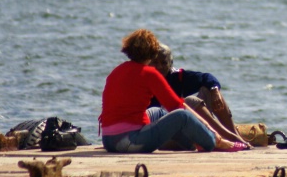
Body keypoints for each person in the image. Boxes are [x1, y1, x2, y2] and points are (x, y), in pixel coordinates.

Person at [98, 29, 248, 153]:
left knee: (158, 111)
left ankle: (194, 142)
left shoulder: (117, 70)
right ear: (151, 53)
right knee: (182, 115)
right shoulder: (149, 73)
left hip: (108, 140)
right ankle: (215, 143)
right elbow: (177, 107)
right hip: (128, 141)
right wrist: (213, 132)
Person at [150, 44, 247, 146]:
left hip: (188, 127)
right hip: (165, 132)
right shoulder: (144, 79)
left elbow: (207, 77)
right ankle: (226, 137)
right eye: (155, 62)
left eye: (164, 63)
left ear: (171, 64)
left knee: (209, 89)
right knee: (190, 101)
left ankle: (233, 134)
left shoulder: (177, 77)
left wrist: (215, 91)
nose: (159, 67)